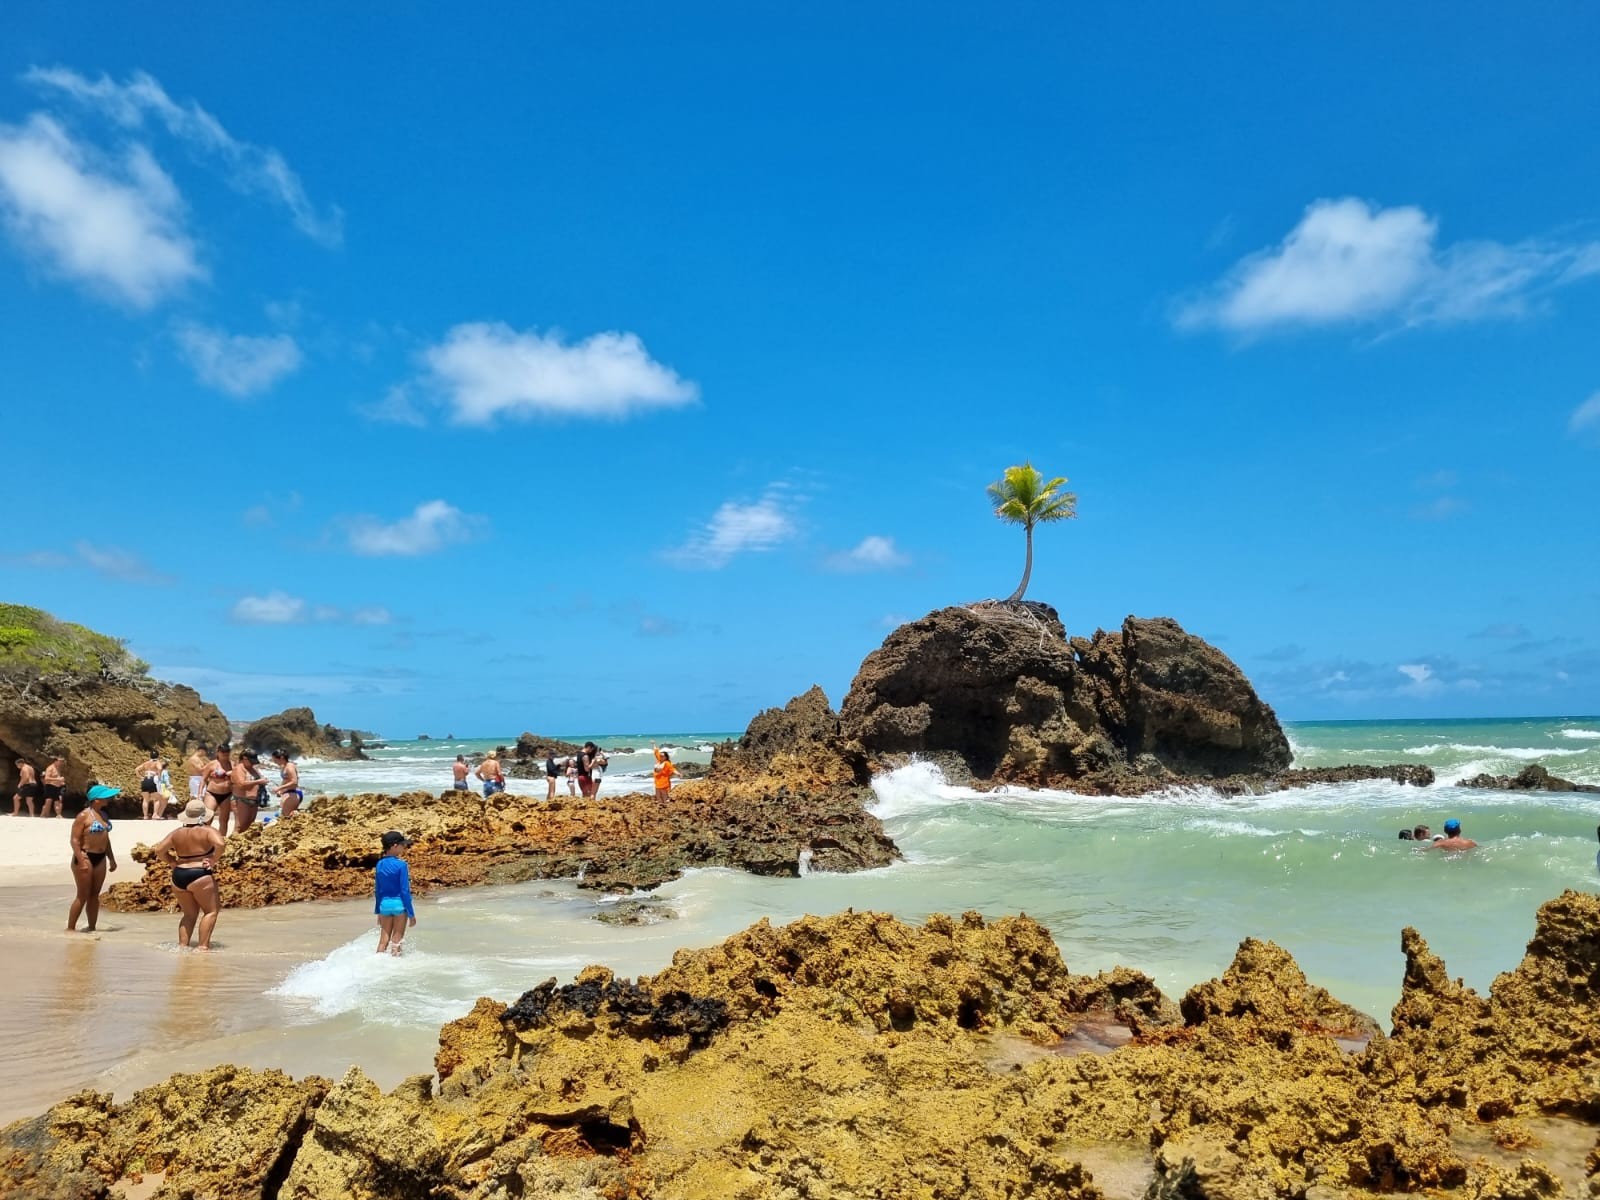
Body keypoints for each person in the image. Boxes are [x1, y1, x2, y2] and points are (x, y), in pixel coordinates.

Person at [152, 800, 226, 951]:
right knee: (211, 911)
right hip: (199, 874)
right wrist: (213, 860)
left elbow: (159, 850)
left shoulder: (176, 833)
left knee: (189, 914)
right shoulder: (207, 831)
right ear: (203, 816)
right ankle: (202, 948)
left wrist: (172, 861)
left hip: (179, 875)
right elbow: (221, 844)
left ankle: (182, 947)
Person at [67, 784, 120, 932]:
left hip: (100, 857)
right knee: (82, 895)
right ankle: (70, 928)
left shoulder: (103, 815)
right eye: (106, 796)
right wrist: (81, 860)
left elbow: (106, 839)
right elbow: (74, 840)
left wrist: (112, 858)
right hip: (85, 856)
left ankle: (92, 927)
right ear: (96, 799)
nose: (109, 799)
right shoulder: (83, 816)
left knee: (94, 895)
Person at [374, 830, 416, 956]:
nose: (405, 847)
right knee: (396, 942)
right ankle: (394, 971)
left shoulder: (379, 864)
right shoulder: (401, 865)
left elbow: (378, 890)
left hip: (384, 906)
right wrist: (411, 914)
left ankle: (376, 965)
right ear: (394, 846)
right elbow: (404, 891)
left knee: (383, 942)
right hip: (399, 906)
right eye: (402, 844)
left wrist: (378, 911)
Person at [231, 750, 265, 832]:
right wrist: (258, 782)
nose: (253, 764)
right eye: (251, 762)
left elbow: (259, 779)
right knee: (240, 826)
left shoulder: (252, 769)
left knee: (250, 827)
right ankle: (233, 843)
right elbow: (241, 784)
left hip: (254, 801)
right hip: (241, 800)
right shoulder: (239, 769)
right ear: (244, 759)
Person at [205, 744, 234, 829]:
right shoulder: (212, 764)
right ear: (218, 752)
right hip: (212, 793)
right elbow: (203, 779)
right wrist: (200, 794)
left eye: (227, 752)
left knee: (224, 820)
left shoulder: (232, 764)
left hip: (227, 794)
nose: (225, 754)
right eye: (223, 752)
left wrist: (232, 773)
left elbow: (238, 778)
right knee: (208, 818)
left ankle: (222, 840)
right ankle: (205, 838)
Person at [272, 749, 303, 817]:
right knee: (283, 816)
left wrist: (279, 788)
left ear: (282, 758)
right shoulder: (283, 766)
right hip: (288, 793)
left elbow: (294, 782)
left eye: (275, 760)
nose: (274, 762)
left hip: (293, 793)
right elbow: (286, 780)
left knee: (286, 817)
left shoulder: (289, 766)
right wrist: (280, 791)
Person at [136, 751, 163, 820]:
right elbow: (159, 768)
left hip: (145, 780)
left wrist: (140, 777)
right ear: (158, 756)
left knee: (145, 799)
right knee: (156, 799)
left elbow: (136, 769)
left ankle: (145, 816)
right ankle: (155, 814)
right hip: (153, 779)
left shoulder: (146, 763)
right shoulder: (157, 762)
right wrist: (159, 776)